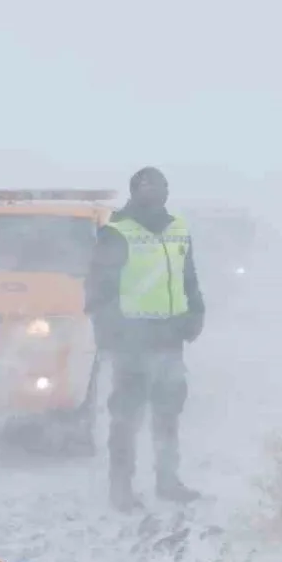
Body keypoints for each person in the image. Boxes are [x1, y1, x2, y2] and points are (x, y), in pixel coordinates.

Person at [84, 166, 206, 511]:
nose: (154, 192)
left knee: (168, 412)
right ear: (134, 191)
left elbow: (190, 278)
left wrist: (196, 313)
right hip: (131, 342)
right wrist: (111, 334)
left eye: (160, 186)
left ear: (168, 190)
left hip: (170, 338)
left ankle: (168, 480)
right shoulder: (116, 232)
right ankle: (120, 488)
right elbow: (97, 290)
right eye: (146, 186)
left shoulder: (178, 229)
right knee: (127, 416)